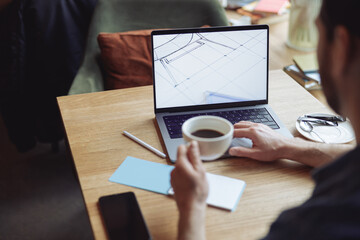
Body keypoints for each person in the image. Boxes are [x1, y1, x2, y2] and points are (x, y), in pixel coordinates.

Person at [170, 0, 360, 239]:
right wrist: (288, 146)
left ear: (341, 48)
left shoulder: (314, 226)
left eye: (318, 32)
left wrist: (192, 206)